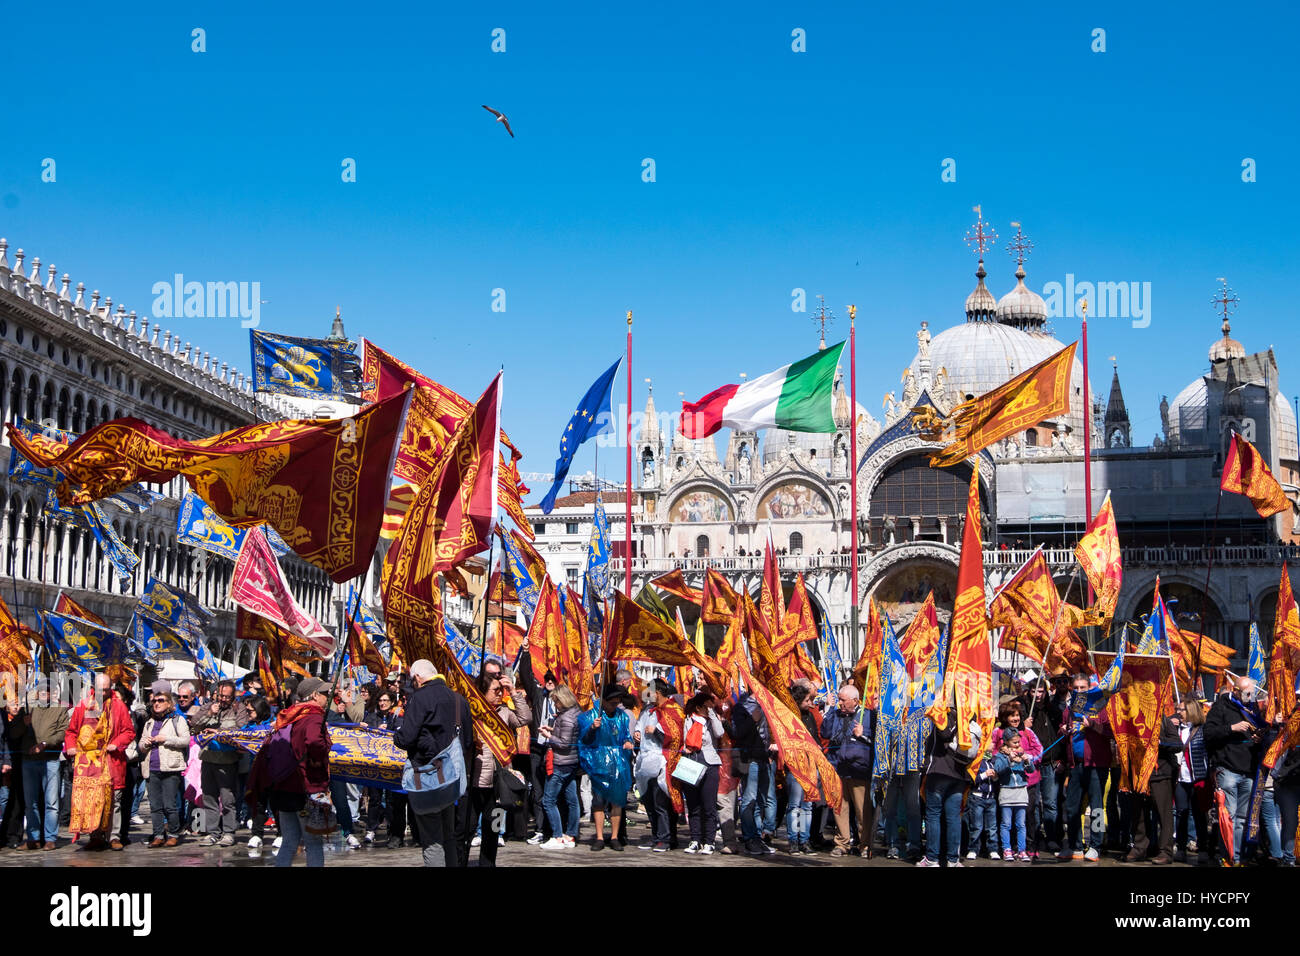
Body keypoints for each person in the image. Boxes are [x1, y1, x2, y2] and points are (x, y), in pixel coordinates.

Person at [393, 659, 473, 867]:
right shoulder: (459, 700)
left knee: (432, 839)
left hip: (426, 778)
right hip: (451, 779)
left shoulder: (419, 699)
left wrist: (396, 736)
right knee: (448, 835)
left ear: (418, 678)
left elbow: (407, 738)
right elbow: (467, 741)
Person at [247, 677, 332, 867]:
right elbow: (314, 743)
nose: (328, 698)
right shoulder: (314, 716)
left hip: (283, 786)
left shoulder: (289, 715)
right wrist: (325, 748)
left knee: (289, 841)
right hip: (306, 788)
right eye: (325, 694)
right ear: (315, 695)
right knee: (313, 842)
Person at [464, 671, 530, 866]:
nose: (500, 694)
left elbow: (525, 719)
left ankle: (488, 863)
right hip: (475, 781)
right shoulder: (473, 712)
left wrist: (514, 691)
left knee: (493, 828)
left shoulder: (505, 711)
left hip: (499, 786)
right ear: (482, 692)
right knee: (466, 829)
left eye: (502, 690)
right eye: (496, 690)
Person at [63, 673, 134, 851]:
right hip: (90, 764)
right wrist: (71, 747)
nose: (103, 694)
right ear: (93, 689)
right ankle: (95, 836)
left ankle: (114, 837)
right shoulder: (84, 705)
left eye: (106, 690)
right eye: (100, 690)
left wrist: (116, 744)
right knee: (92, 800)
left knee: (114, 802)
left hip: (112, 762)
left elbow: (128, 731)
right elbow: (72, 731)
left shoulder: (119, 706)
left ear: (111, 689)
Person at [1203, 675, 1265, 864]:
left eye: (1252, 693)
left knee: (1242, 819)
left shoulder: (1252, 708)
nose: (1250, 697)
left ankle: (1238, 856)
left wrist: (1257, 738)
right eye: (1247, 693)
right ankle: (1228, 856)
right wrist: (1231, 728)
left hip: (1248, 769)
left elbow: (1258, 730)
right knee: (1227, 817)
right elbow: (1209, 733)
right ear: (1236, 691)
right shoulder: (1221, 707)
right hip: (1228, 768)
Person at [1059, 674, 1113, 862]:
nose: (1079, 691)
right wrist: (1064, 730)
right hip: (1076, 764)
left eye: (1083, 687)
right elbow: (1063, 729)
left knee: (1096, 807)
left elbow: (1111, 732)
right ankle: (1075, 845)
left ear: (1089, 688)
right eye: (1076, 688)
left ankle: (1095, 846)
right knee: (1072, 807)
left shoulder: (1100, 706)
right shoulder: (1069, 709)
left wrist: (1093, 726)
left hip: (1097, 765)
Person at [188, 679, 249, 847]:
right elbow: (194, 724)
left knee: (228, 798)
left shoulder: (239, 709)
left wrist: (219, 732)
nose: (223, 700)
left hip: (227, 760)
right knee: (209, 796)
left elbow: (241, 731)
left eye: (227, 697)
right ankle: (213, 831)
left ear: (233, 696)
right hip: (208, 757)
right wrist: (209, 714)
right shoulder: (208, 707)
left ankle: (229, 831)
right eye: (220, 696)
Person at [819, 683, 876, 858]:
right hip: (838, 767)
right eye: (840, 700)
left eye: (843, 700)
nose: (841, 703)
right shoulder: (836, 714)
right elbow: (825, 732)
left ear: (855, 700)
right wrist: (829, 709)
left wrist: (863, 734)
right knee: (839, 808)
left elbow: (877, 740)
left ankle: (864, 844)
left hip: (859, 769)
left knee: (862, 811)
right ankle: (841, 842)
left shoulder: (868, 716)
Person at [578, 684, 635, 851]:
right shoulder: (590, 716)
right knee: (598, 802)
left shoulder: (622, 717)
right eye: (611, 702)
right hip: (599, 765)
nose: (614, 705)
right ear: (603, 700)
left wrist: (628, 742)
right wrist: (592, 729)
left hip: (618, 765)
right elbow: (584, 741)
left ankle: (615, 836)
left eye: (617, 702)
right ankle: (599, 836)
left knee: (617, 802)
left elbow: (626, 736)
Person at [1126, 709, 1183, 864]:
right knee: (1139, 814)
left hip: (1160, 773)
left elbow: (1178, 744)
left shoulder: (1162, 719)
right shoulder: (1129, 718)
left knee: (1164, 814)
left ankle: (1165, 851)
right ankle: (1139, 848)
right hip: (1138, 773)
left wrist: (1159, 742)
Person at [137, 684, 191, 847]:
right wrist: (145, 744)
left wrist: (165, 739)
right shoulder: (149, 723)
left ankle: (173, 833)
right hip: (152, 768)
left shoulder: (177, 720)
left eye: (161, 700)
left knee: (169, 805)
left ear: (169, 703)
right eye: (154, 701)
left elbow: (185, 740)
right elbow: (140, 744)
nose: (157, 703)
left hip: (171, 768)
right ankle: (159, 834)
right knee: (155, 806)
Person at [918, 709, 972, 867]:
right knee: (954, 817)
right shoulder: (969, 714)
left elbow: (944, 735)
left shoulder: (942, 713)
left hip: (939, 769)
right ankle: (953, 860)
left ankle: (932, 858)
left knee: (933, 814)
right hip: (960, 772)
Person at [991, 700, 1042, 860]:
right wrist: (1003, 753)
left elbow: (1039, 750)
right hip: (1006, 783)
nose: (1015, 719)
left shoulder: (1027, 732)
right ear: (1005, 717)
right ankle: (1009, 847)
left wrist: (1027, 757)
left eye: (1018, 716)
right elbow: (989, 752)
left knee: (1028, 816)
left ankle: (1027, 847)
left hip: (1028, 781)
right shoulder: (998, 732)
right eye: (1012, 716)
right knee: (1006, 819)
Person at [730, 686, 778, 855]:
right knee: (749, 800)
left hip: (764, 758)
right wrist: (753, 719)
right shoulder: (742, 706)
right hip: (749, 759)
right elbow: (737, 732)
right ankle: (749, 838)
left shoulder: (768, 704)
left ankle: (757, 837)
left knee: (761, 800)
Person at [23, 682, 68, 851]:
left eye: (47, 691)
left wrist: (45, 743)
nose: (44, 694)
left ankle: (50, 838)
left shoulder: (59, 709)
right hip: (29, 760)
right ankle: (33, 838)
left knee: (52, 802)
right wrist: (24, 724)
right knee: (31, 802)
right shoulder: (29, 709)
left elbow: (63, 731)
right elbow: (15, 733)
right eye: (41, 691)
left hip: (50, 760)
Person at [679, 689, 725, 855]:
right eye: (706, 707)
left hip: (710, 763)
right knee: (693, 804)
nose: (709, 709)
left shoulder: (711, 722)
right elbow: (685, 739)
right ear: (698, 708)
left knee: (709, 804)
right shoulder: (689, 720)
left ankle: (709, 841)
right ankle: (695, 839)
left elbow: (720, 733)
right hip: (692, 762)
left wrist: (712, 715)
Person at [539, 684, 582, 849]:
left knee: (548, 801)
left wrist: (548, 735)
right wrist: (553, 729)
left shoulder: (567, 717)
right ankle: (570, 836)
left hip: (561, 762)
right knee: (572, 800)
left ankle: (557, 836)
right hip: (571, 762)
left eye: (556, 701)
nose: (555, 704)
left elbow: (564, 743)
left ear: (562, 700)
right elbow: (567, 736)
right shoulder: (575, 712)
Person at [1174, 697, 1211, 864]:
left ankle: (1203, 848)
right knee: (1181, 813)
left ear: (1191, 711)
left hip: (1198, 778)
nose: (1179, 712)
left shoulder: (1203, 730)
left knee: (1199, 814)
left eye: (1182, 709)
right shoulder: (1176, 729)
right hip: (1181, 778)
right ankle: (1181, 848)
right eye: (1178, 709)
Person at [992, 729, 1034, 862]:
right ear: (1006, 742)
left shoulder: (1021, 754)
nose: (1017, 744)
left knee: (1021, 824)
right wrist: (1009, 759)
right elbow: (998, 769)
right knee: (1006, 824)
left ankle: (1022, 850)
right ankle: (1006, 849)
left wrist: (1027, 761)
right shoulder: (1000, 755)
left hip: (1021, 792)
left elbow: (1031, 770)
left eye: (1018, 741)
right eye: (1014, 742)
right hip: (1006, 792)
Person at [966, 749, 1000, 859]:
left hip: (991, 798)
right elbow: (971, 779)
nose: (993, 744)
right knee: (976, 826)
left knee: (992, 827)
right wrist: (985, 774)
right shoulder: (976, 761)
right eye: (990, 741)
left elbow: (996, 781)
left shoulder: (993, 761)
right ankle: (973, 849)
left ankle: (993, 849)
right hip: (977, 797)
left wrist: (995, 777)